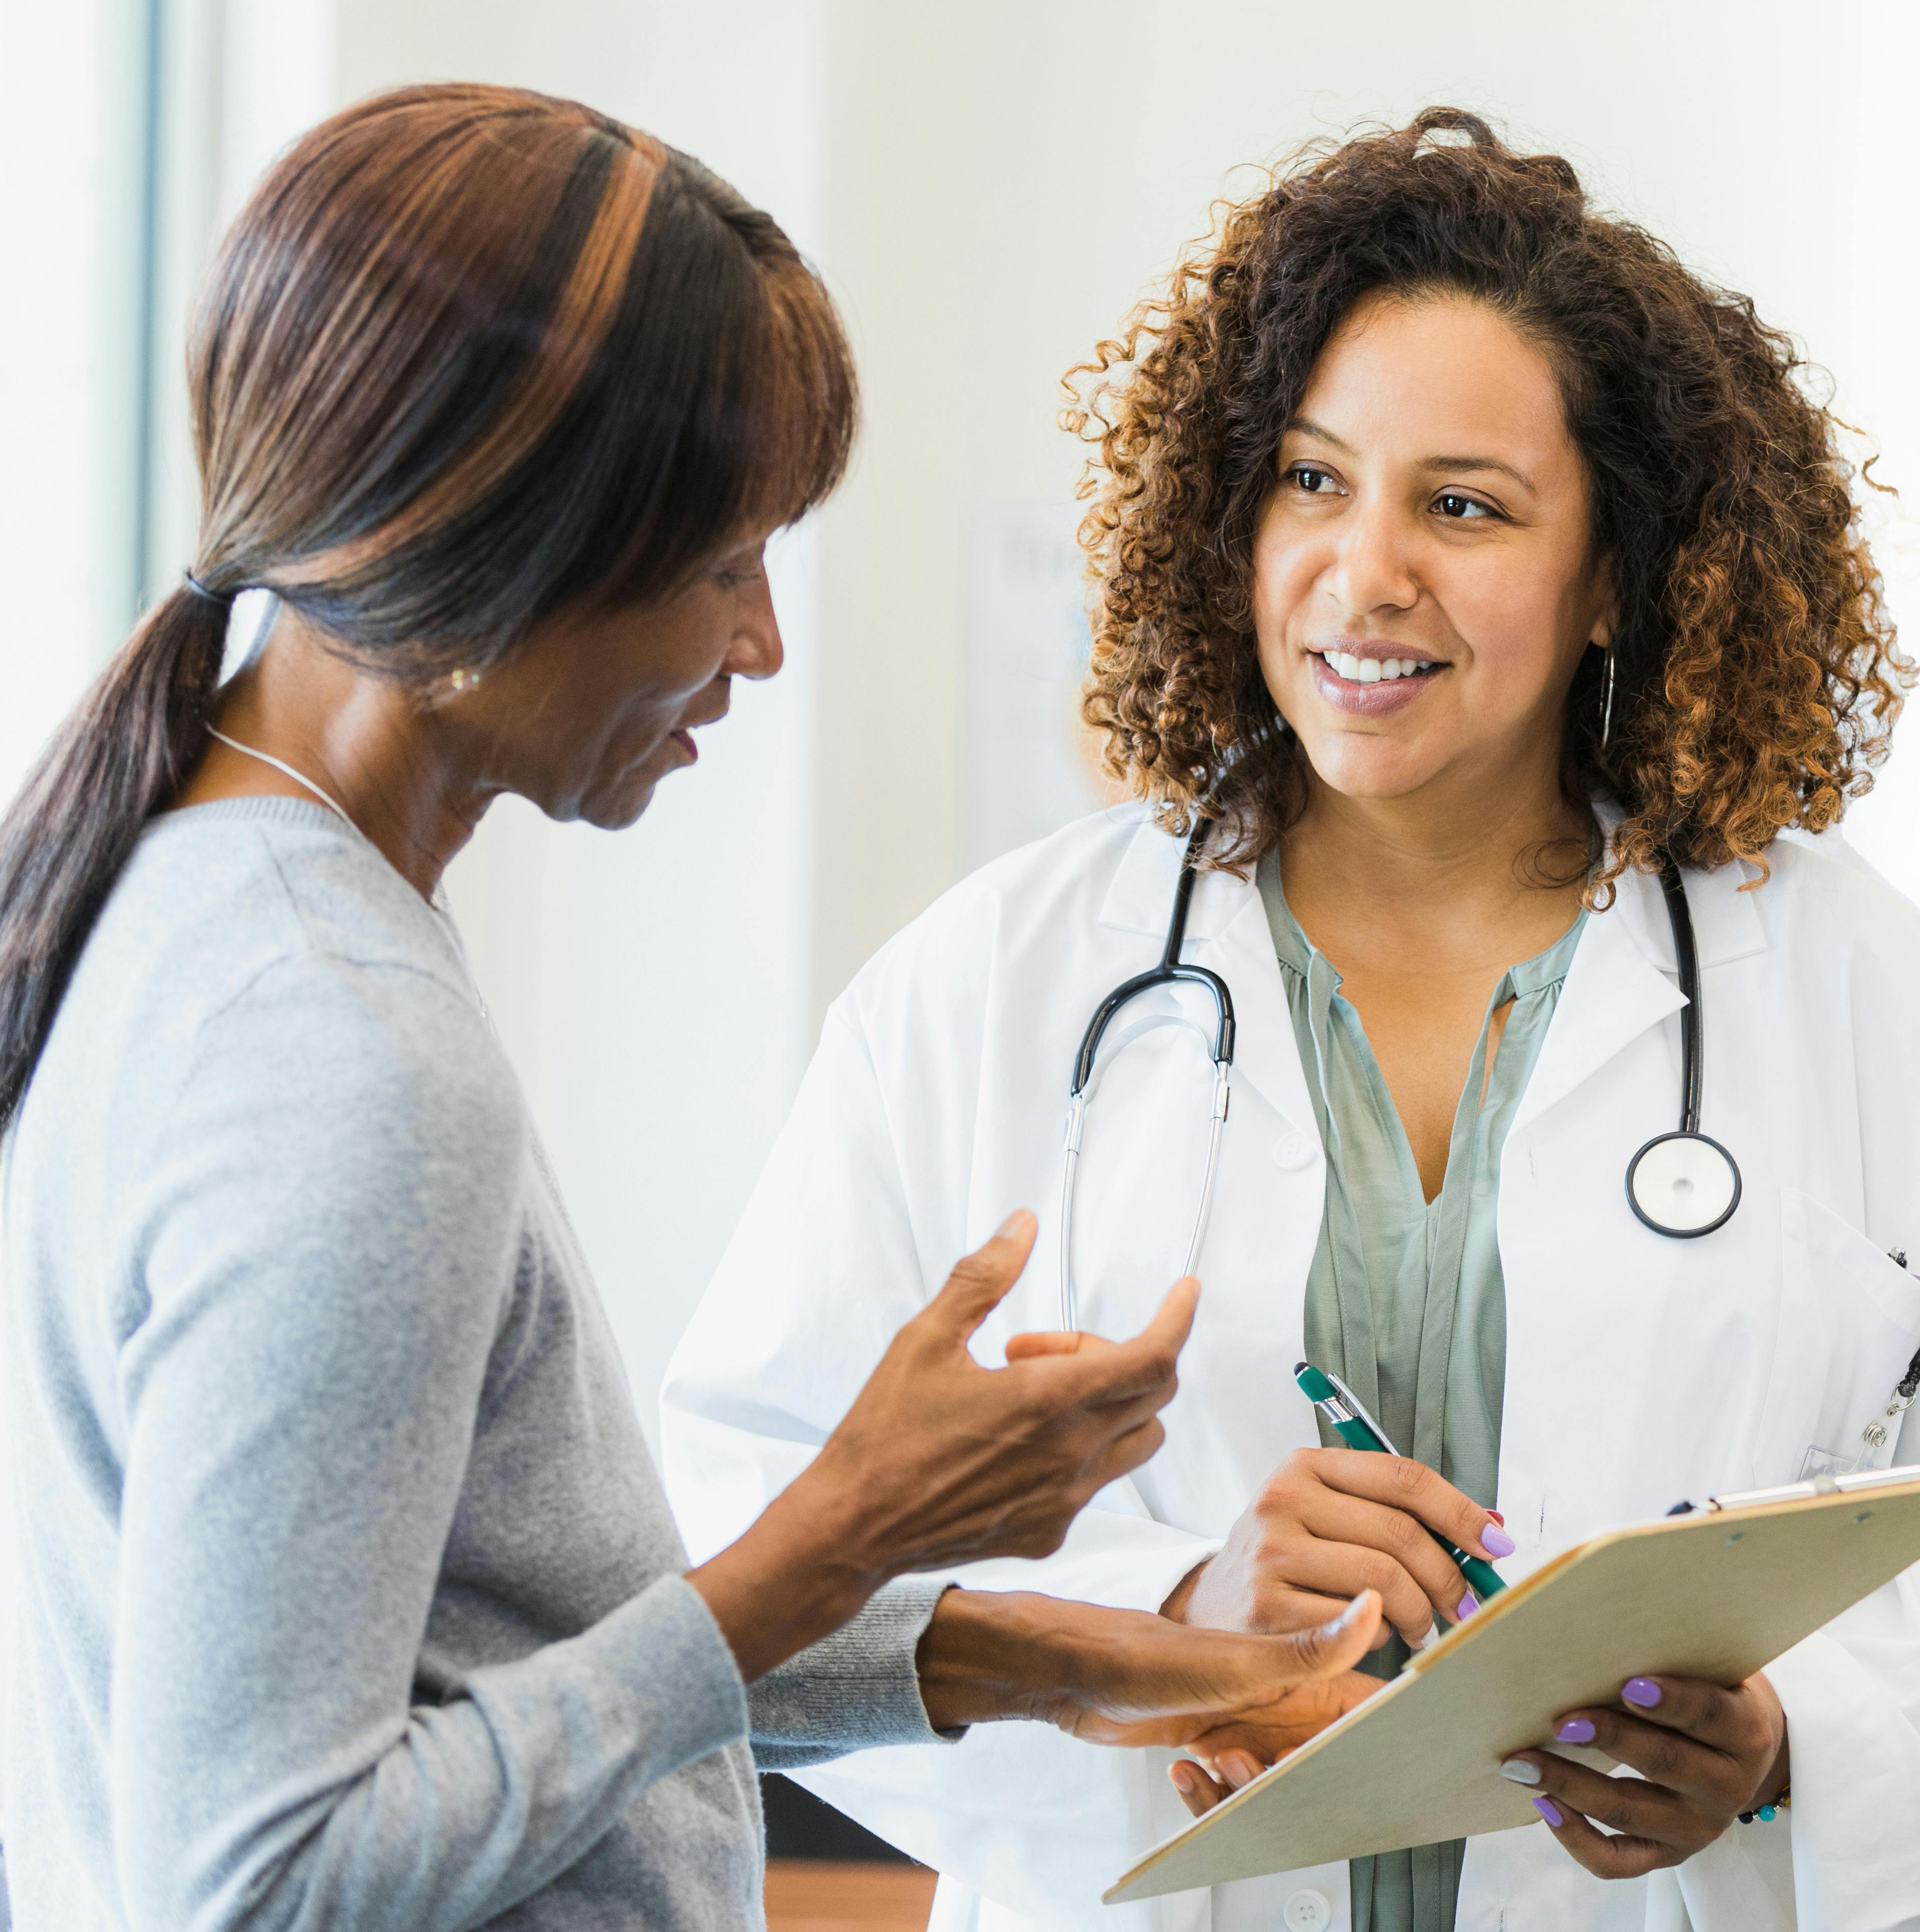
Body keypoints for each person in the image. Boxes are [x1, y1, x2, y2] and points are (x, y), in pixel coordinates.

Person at [660, 109, 1920, 1932]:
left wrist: (1789, 1737)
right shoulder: (994, 983)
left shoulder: (1851, 987)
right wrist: (1168, 1619)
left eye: (1462, 506)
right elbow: (736, 1550)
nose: (1365, 570)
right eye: (1313, 482)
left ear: (1616, 571)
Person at [0, 85, 1390, 1932]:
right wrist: (839, 1537)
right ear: (505, 545)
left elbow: (490, 1679)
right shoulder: (336, 1047)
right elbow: (262, 1881)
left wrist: (1057, 1658)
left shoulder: (197, 889)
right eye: (726, 565)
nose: (760, 646)